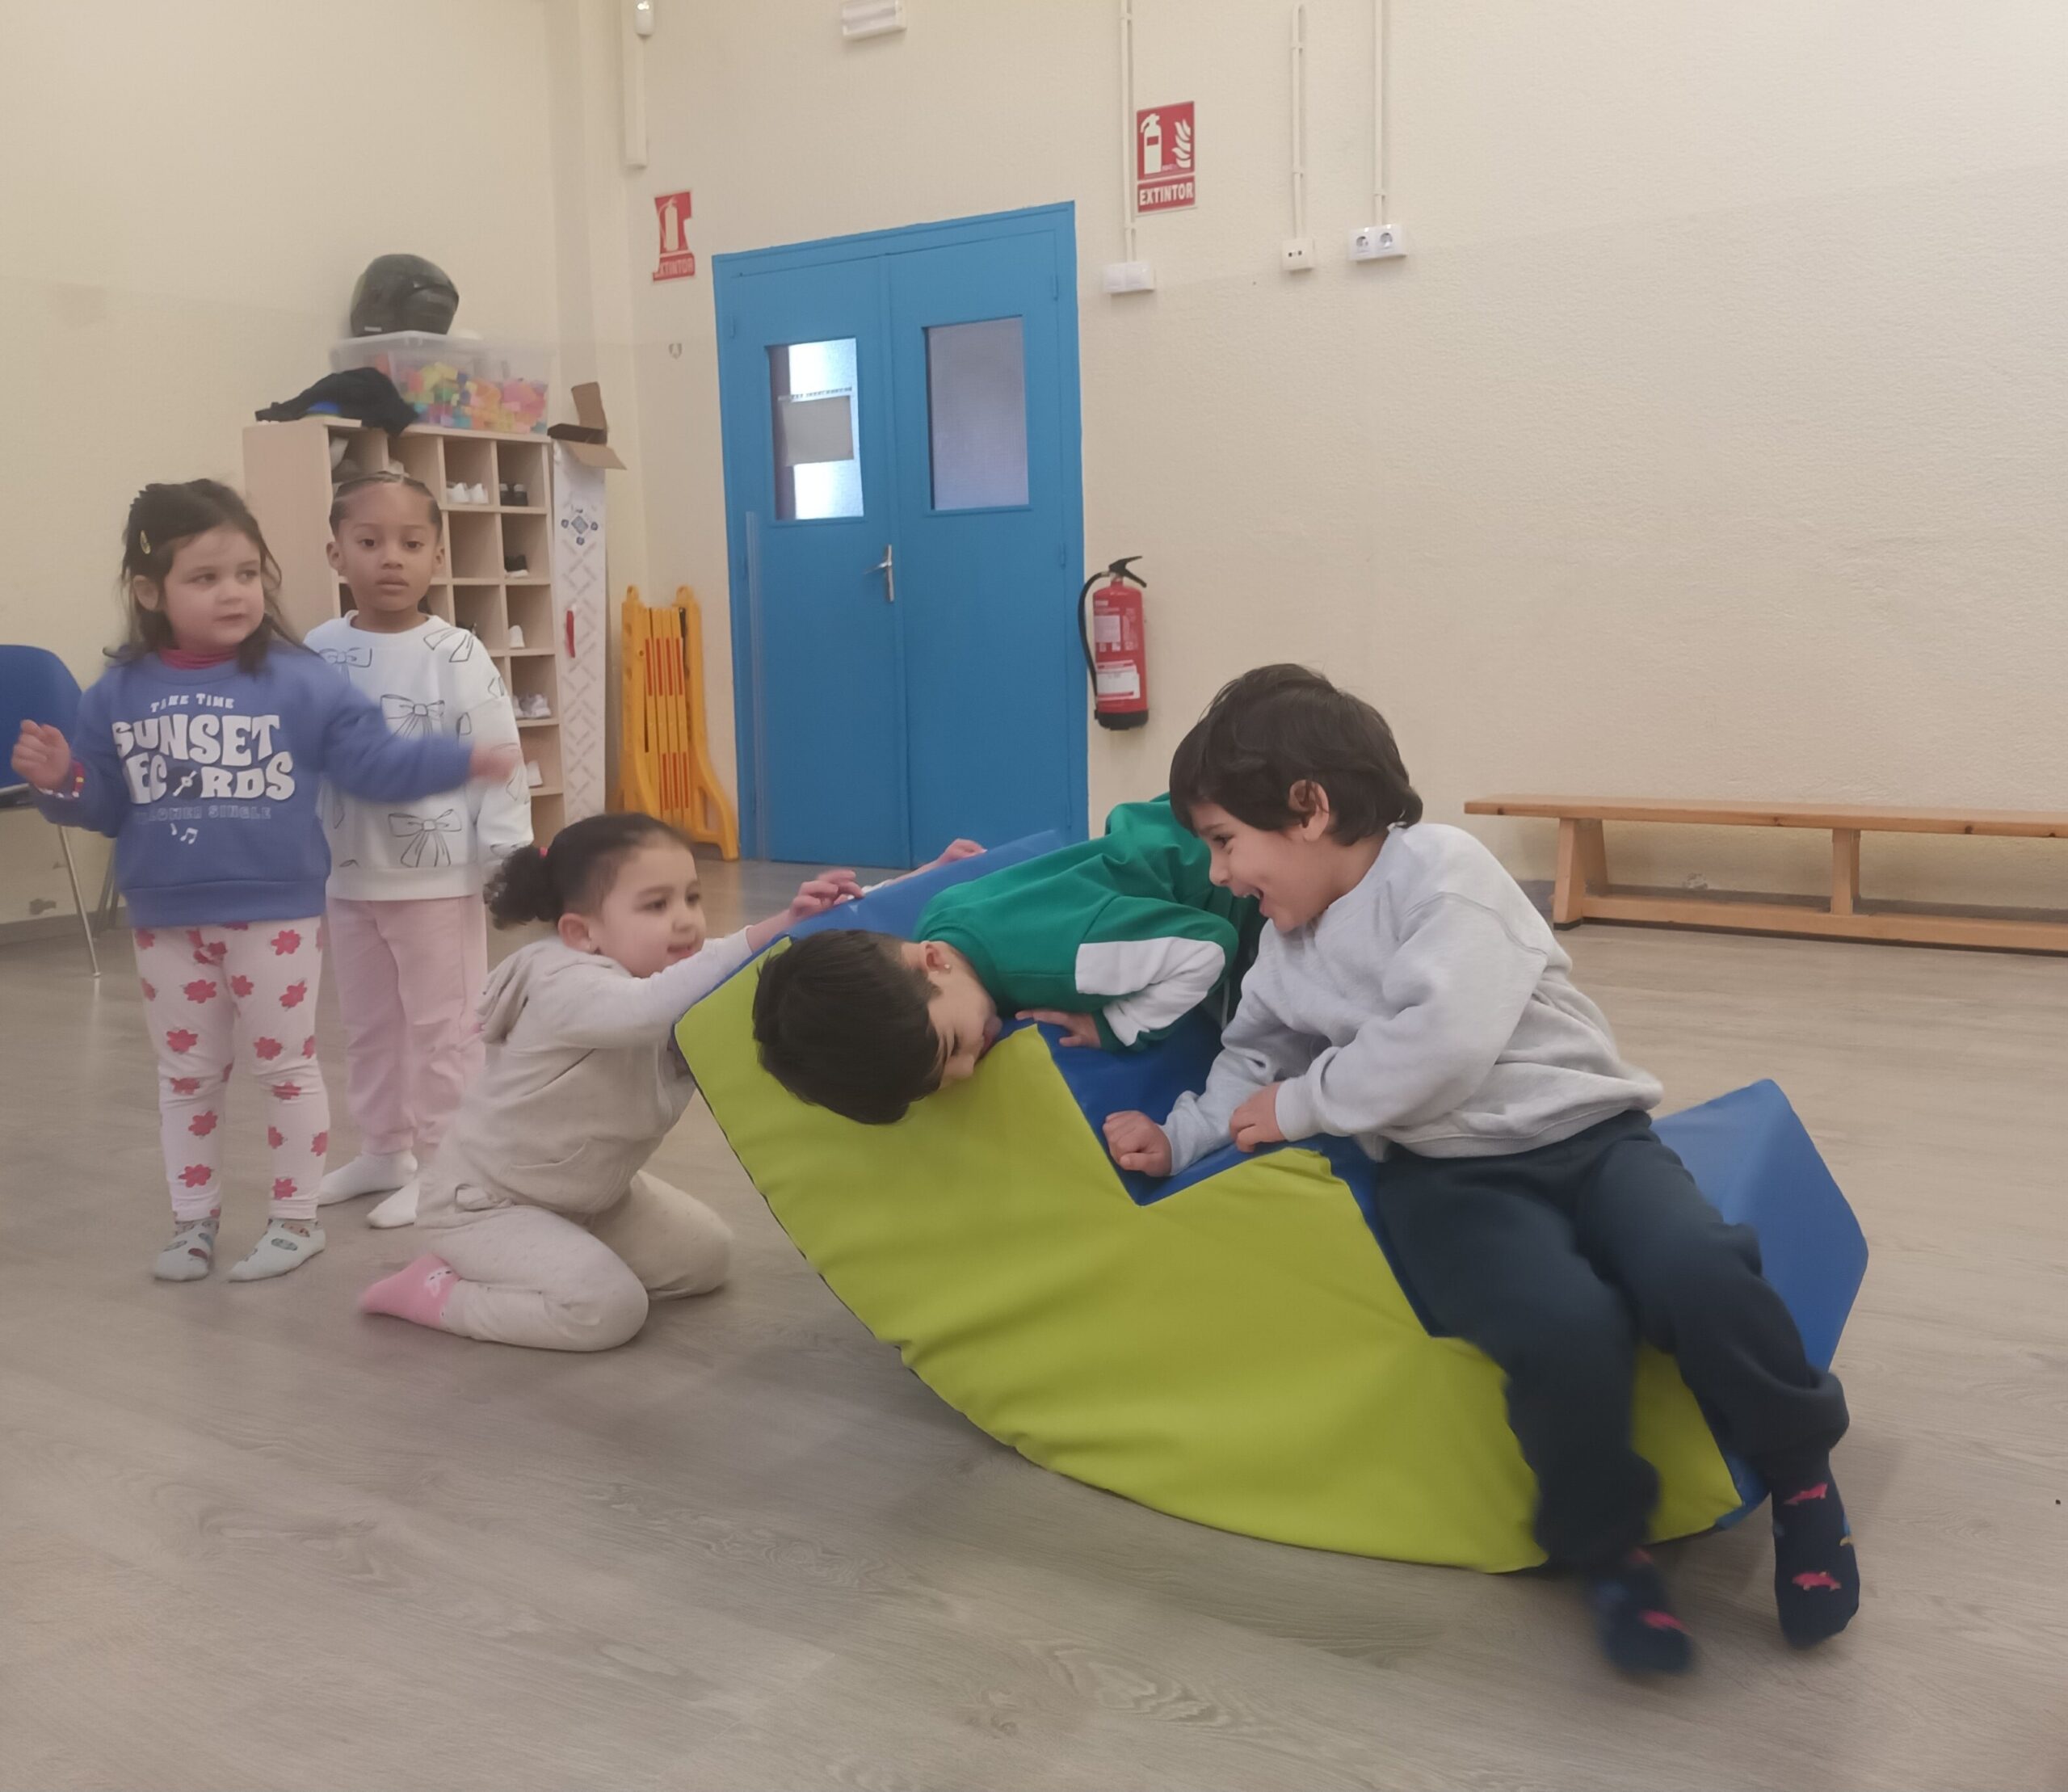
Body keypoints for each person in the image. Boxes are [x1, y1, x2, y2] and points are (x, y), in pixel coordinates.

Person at [1102, 666, 1856, 1674]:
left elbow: (1444, 1042)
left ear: (1309, 809)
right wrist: (1183, 1134)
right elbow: (1251, 1059)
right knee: (1559, 1328)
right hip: (1448, 1178)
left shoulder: (1443, 872)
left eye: (1225, 840)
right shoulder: (1284, 949)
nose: (1220, 873)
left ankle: (1799, 1470)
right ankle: (1604, 1545)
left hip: (1590, 1137)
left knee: (1698, 1266)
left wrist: (1302, 1105)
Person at [11, 480, 517, 1282]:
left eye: (247, 573)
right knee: (186, 1078)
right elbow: (102, 806)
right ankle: (192, 1222)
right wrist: (60, 779)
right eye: (206, 577)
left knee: (287, 1068)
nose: (234, 592)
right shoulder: (117, 693)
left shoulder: (299, 678)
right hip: (165, 921)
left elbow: (372, 761)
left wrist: (459, 761)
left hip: (275, 917)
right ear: (150, 591)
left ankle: (294, 1219)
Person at [359, 813, 859, 1352]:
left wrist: (847, 910)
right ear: (582, 932)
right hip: (488, 1205)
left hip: (594, 1198)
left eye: (692, 898)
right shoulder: (562, 982)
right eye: (656, 906)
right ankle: (438, 1291)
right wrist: (766, 930)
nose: (686, 920)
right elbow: (643, 1011)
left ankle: (557, 1253)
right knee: (608, 1310)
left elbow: (718, 996)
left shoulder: (659, 977)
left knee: (708, 1259)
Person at [307, 472, 530, 1230]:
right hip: (347, 877)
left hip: (436, 880)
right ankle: (384, 1149)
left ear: (437, 555)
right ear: (336, 554)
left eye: (410, 543)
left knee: (445, 1031)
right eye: (369, 542)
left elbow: (500, 757)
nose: (390, 559)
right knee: (368, 1026)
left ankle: (446, 1165)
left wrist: (508, 858)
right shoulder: (317, 651)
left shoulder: (456, 652)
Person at [752, 798, 1261, 1124]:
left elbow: (1210, 946)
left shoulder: (1064, 961)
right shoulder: (940, 926)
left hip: (1238, 875)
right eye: (944, 1078)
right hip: (1166, 829)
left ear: (932, 960)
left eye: (954, 1046)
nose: (967, 1069)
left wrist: (1116, 1024)